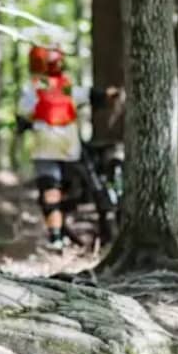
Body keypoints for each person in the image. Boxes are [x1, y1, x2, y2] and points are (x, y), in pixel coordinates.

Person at [16, 44, 121, 251]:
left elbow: (23, 115)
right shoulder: (65, 86)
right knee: (72, 188)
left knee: (50, 190)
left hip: (45, 146)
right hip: (70, 147)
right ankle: (73, 233)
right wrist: (111, 94)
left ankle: (56, 237)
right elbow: (91, 94)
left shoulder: (33, 87)